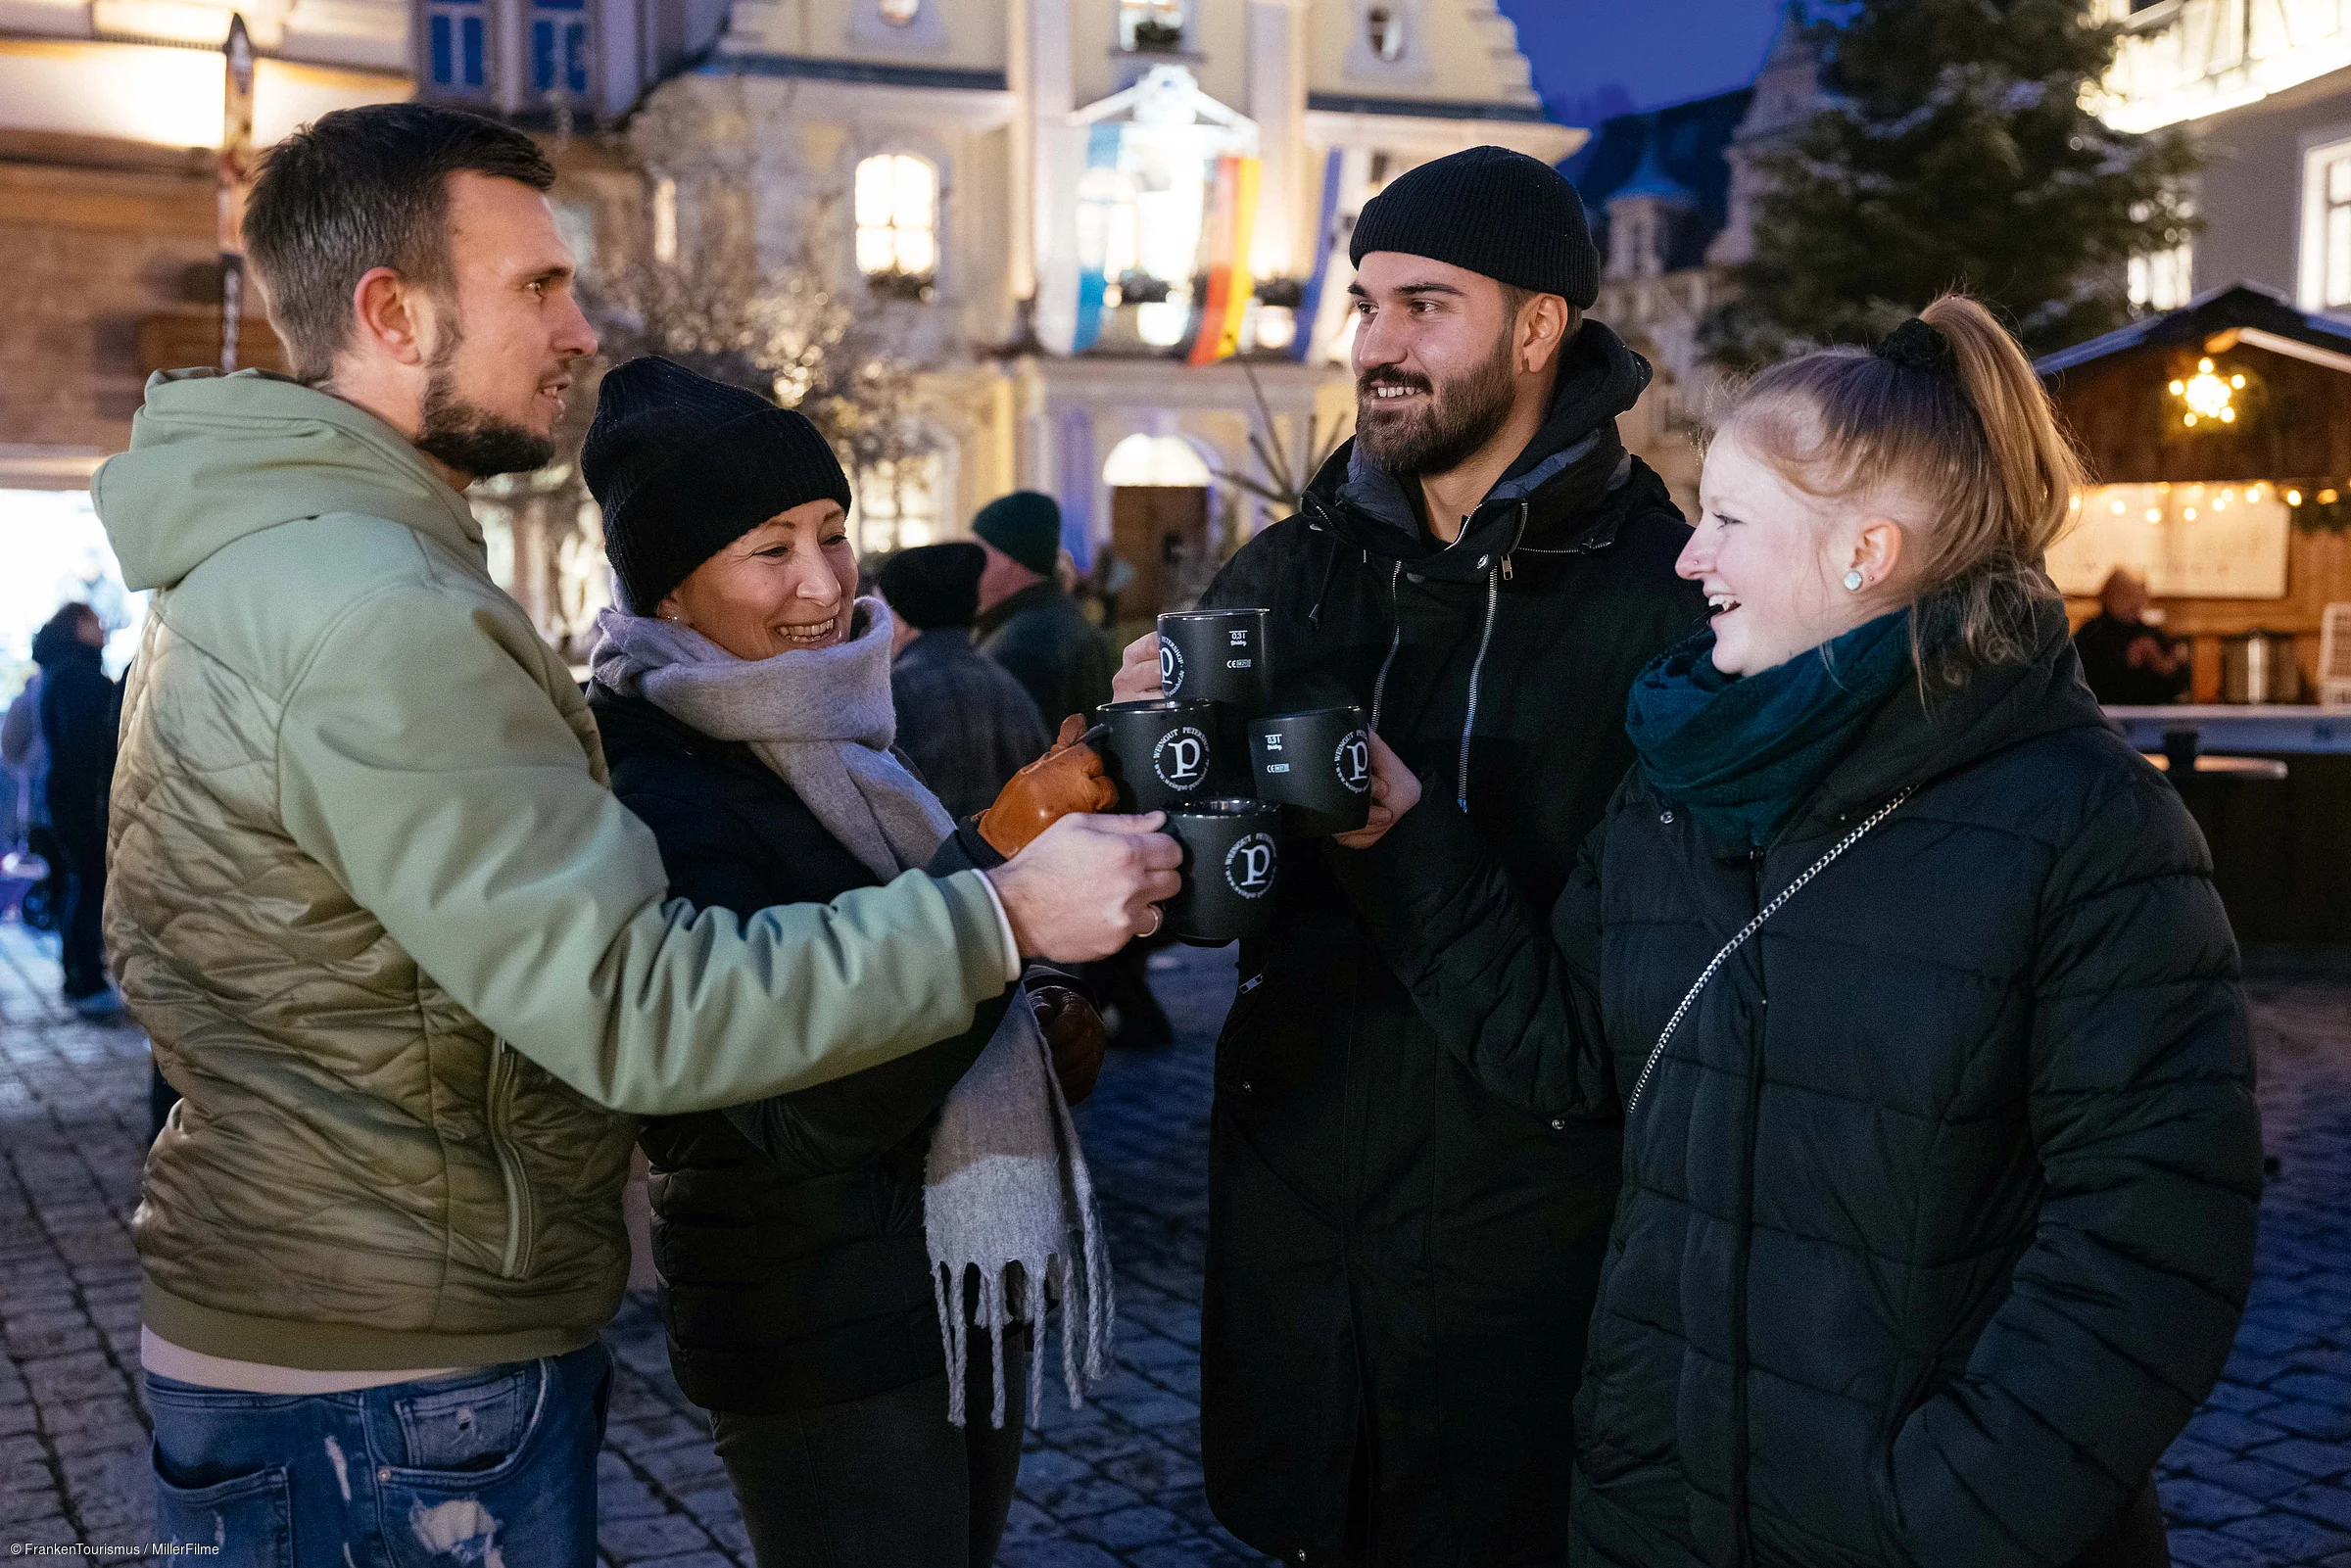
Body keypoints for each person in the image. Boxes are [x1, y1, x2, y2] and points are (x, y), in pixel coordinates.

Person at [95, 103, 1176, 1555]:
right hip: (387, 1365)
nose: (579, 325)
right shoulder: (375, 608)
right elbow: (639, 1003)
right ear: (391, 311)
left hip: (350, 1326)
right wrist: (999, 909)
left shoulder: (315, 566)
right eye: (539, 284)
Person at [1344, 297, 2261, 1568]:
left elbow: (2158, 1234)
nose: (1688, 558)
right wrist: (1404, 838)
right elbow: (1569, 1054)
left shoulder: (2088, 825)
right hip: (1655, 1518)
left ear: (1864, 552)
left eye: (1727, 520)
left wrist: (1943, 1513)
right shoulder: (1678, 781)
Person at [1110, 146, 1705, 1563]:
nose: (1376, 346)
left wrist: (1399, 826)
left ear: (1541, 325)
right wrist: (1149, 774)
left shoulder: (1666, 607)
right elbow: (1206, 905)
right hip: (1293, 1253)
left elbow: (1615, 1042)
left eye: (1425, 306)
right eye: (1365, 306)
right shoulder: (1296, 568)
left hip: (1518, 1284)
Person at [582, 356, 1115, 1566]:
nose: (823, 581)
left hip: (944, 1286)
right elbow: (802, 1090)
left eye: (832, 531)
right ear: (669, 587)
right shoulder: (649, 774)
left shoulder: (845, 733)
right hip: (813, 1317)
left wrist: (1041, 1013)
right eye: (769, 550)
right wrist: (1002, 859)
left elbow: (906, 960)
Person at [879, 541, 1053, 821]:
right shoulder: (1008, 686)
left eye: (880, 606)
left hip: (931, 863)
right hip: (1015, 858)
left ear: (901, 618)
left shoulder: (895, 693)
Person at [31, 602, 121, 1018]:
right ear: (76, 627)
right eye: (95, 622)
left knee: (81, 884)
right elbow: (89, 741)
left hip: (70, 796)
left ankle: (80, 975)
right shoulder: (77, 675)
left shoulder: (63, 670)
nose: (102, 629)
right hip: (84, 800)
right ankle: (84, 978)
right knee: (88, 884)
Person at [973, 490, 1116, 728]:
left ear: (1010, 559)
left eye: (980, 550)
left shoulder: (1022, 646)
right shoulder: (1060, 620)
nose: (973, 563)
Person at [2074, 566, 2190, 705]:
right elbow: (2084, 681)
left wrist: (2165, 665)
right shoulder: (2090, 633)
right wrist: (2126, 661)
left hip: (2150, 716)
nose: (2136, 602)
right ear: (2109, 595)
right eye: (2128, 595)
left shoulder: (2151, 633)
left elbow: (2175, 687)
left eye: (2141, 595)